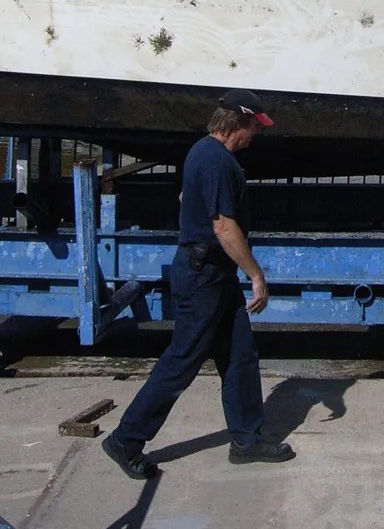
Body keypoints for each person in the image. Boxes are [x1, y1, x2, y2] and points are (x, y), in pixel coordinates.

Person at [102, 88, 295, 479]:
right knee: (182, 361)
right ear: (239, 124)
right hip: (204, 275)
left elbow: (185, 197)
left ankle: (246, 438)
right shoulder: (218, 162)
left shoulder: (201, 153)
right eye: (253, 129)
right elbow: (223, 226)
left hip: (212, 273)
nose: (254, 137)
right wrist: (256, 275)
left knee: (240, 355)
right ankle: (126, 438)